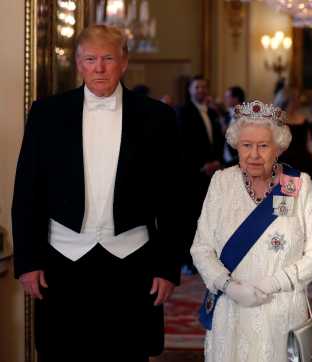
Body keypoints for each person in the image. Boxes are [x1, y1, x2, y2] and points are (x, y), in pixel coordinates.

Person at [11, 25, 181, 362]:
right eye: (90, 59)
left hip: (132, 261)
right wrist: (28, 262)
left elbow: (173, 197)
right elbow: (28, 192)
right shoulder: (47, 113)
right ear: (78, 63)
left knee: (127, 353)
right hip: (62, 260)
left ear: (124, 62)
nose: (99, 68)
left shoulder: (156, 117)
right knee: (62, 353)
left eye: (107, 58)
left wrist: (168, 267)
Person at [190, 100, 312, 362]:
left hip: (282, 309)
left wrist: (273, 283)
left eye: (263, 146)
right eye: (246, 145)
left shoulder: (299, 184)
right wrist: (229, 286)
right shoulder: (221, 183)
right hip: (231, 308)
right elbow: (201, 248)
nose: (254, 154)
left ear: (278, 148)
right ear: (236, 146)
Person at [177, 75, 224, 275]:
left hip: (211, 174)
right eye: (197, 87)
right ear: (190, 90)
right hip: (192, 174)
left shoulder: (213, 113)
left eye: (204, 87)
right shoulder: (183, 112)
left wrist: (216, 162)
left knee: (209, 219)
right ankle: (188, 261)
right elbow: (182, 144)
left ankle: (207, 260)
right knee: (190, 219)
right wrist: (200, 166)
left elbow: (219, 140)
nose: (201, 90)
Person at [222, 86, 246, 166]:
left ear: (236, 98)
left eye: (227, 97)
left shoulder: (246, 116)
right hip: (225, 160)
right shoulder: (227, 115)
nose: (224, 99)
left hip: (238, 159)